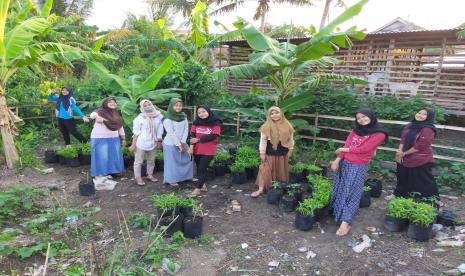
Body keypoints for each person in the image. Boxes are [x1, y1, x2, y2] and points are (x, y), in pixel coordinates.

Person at [330, 108, 388, 236]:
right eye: (358, 118)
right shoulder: (355, 130)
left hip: (358, 166)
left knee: (352, 192)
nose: (361, 119)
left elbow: (364, 149)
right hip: (345, 163)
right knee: (340, 189)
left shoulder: (379, 134)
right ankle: (338, 213)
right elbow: (347, 143)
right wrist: (337, 160)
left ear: (371, 116)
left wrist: (343, 149)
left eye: (364, 116)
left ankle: (346, 221)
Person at [393, 108, 438, 201]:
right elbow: (403, 140)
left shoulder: (428, 129)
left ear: (429, 117)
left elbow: (421, 145)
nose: (420, 115)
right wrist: (399, 153)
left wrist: (403, 153)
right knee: (402, 176)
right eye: (418, 112)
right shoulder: (410, 126)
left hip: (421, 159)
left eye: (424, 114)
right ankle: (398, 195)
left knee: (424, 180)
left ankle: (432, 199)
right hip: (404, 157)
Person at [251, 106, 294, 198]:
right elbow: (263, 140)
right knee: (265, 169)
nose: (274, 115)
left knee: (280, 169)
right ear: (269, 116)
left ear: (281, 113)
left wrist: (291, 149)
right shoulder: (266, 126)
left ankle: (278, 188)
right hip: (270, 151)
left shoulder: (287, 125)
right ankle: (261, 189)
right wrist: (262, 153)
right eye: (272, 113)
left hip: (282, 151)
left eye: (277, 113)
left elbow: (291, 139)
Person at [89, 97, 126, 189]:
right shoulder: (100, 111)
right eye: (110, 102)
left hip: (113, 138)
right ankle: (99, 174)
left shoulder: (116, 114)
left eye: (114, 102)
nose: (113, 103)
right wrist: (97, 117)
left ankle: (113, 171)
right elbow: (92, 114)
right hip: (100, 138)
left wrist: (123, 138)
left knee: (113, 156)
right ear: (105, 103)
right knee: (101, 156)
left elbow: (119, 126)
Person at [128, 100, 164, 186]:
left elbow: (160, 129)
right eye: (145, 105)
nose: (148, 106)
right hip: (141, 142)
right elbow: (136, 132)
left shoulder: (159, 116)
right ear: (142, 107)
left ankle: (150, 175)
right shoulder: (139, 118)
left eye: (149, 104)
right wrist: (133, 144)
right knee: (138, 161)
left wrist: (159, 141)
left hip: (153, 141)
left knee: (151, 160)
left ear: (152, 105)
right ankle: (138, 177)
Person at [189, 106, 222, 197]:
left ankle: (198, 189)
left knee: (202, 168)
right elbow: (192, 134)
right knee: (199, 167)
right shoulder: (196, 122)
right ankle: (202, 185)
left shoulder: (215, 122)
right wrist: (191, 146)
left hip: (208, 149)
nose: (201, 114)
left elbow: (214, 135)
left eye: (203, 111)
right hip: (197, 149)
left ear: (208, 111)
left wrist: (199, 140)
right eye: (199, 113)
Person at [162, 98, 193, 186]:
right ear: (172, 106)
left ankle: (186, 177)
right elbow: (171, 133)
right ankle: (171, 179)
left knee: (188, 158)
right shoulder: (167, 118)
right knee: (172, 162)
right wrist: (178, 144)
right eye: (176, 105)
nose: (178, 107)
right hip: (170, 143)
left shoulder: (183, 115)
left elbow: (186, 129)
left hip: (182, 142)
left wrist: (183, 142)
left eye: (180, 105)